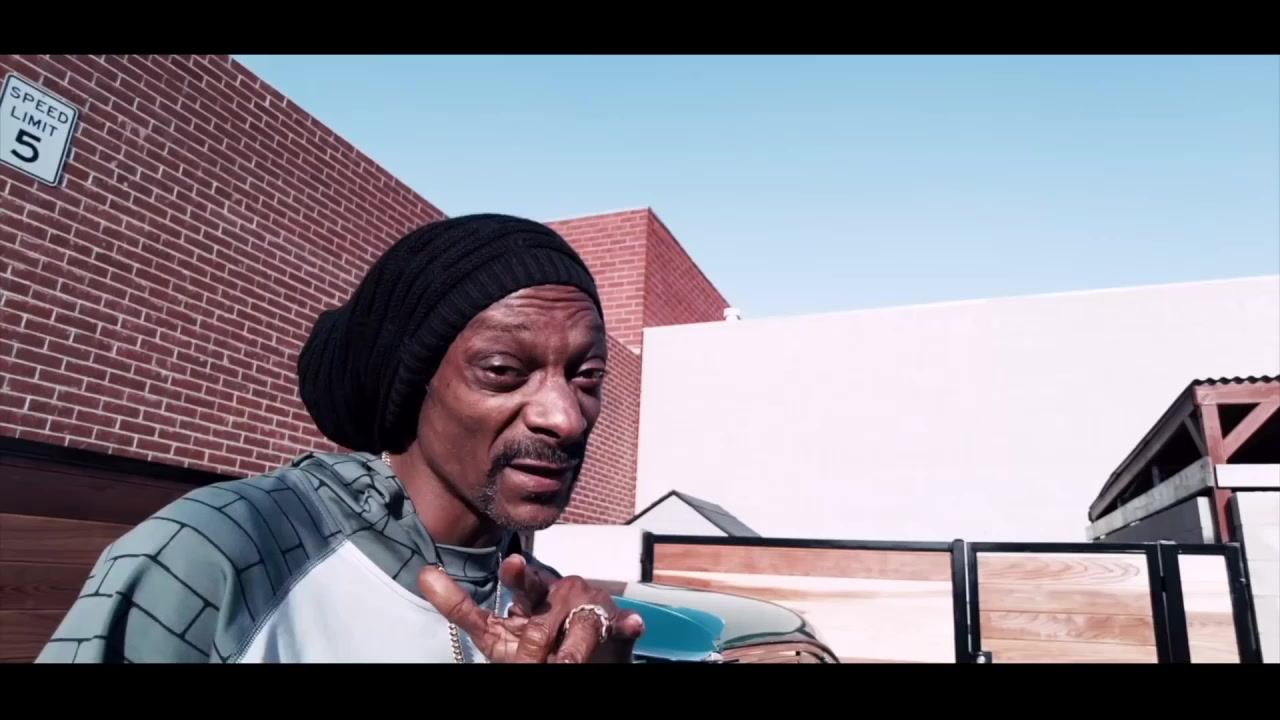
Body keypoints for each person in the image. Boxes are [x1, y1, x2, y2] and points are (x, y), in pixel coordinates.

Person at [35, 213, 646, 663]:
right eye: (504, 370)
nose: (566, 418)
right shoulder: (220, 553)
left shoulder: (548, 611)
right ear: (411, 384)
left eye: (587, 377)